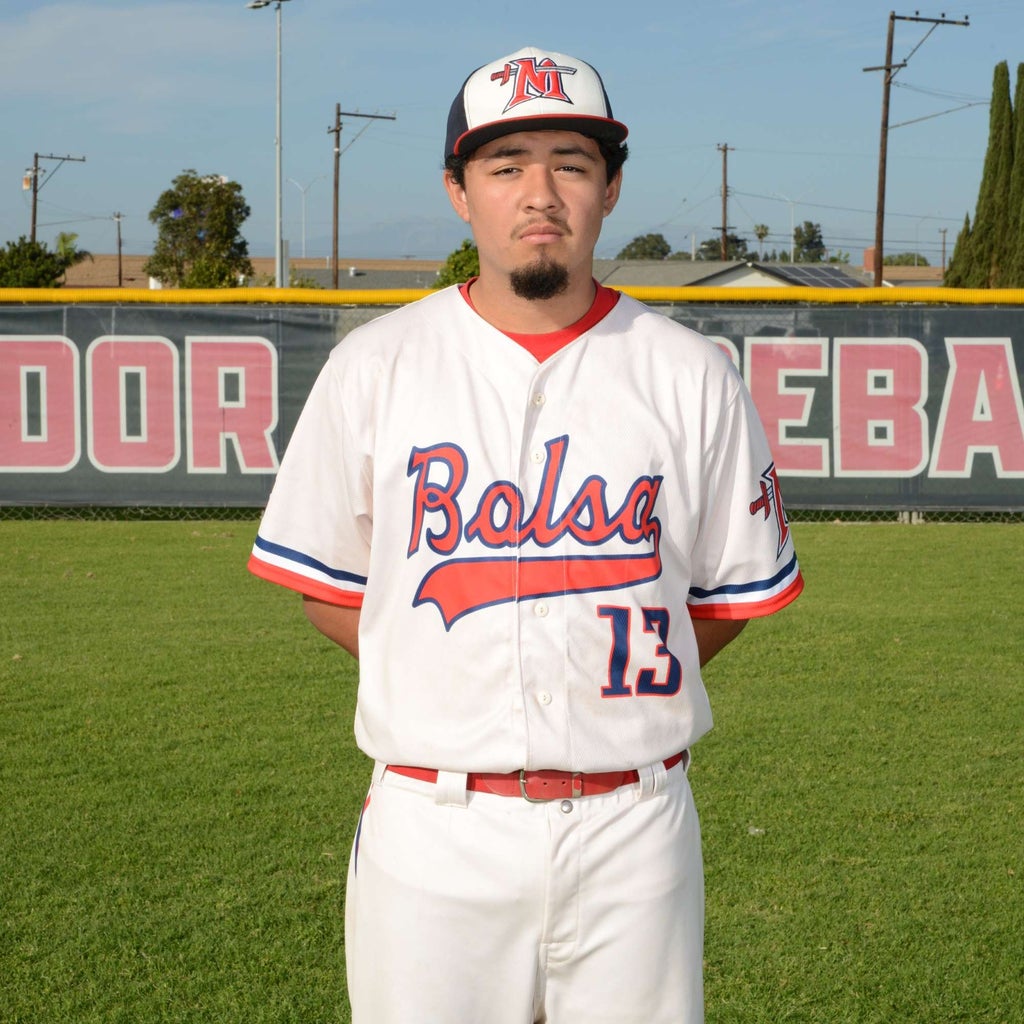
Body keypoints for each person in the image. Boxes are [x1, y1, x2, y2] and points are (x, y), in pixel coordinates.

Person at [248, 45, 803, 1024]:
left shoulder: (689, 373)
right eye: (505, 166)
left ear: (611, 186)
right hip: (433, 826)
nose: (538, 192)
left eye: (570, 162)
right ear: (460, 192)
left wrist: (602, 675)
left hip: (634, 824)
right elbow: (326, 585)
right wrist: (446, 664)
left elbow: (722, 599)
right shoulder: (375, 365)